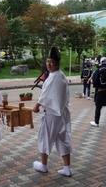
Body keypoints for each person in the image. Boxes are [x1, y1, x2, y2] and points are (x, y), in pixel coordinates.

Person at [32, 47, 72, 176]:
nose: (49, 64)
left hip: (52, 115)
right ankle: (67, 168)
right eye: (48, 61)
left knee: (45, 138)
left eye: (52, 62)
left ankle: (43, 165)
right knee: (62, 138)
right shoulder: (60, 75)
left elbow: (45, 95)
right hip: (61, 114)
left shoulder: (54, 77)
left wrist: (36, 106)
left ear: (58, 63)